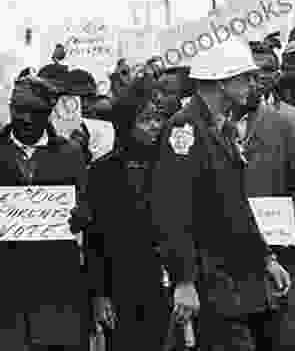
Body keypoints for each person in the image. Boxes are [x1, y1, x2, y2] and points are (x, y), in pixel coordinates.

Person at [149, 37, 292, 351]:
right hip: (207, 278)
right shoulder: (184, 129)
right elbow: (171, 210)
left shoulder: (222, 128)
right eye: (245, 77)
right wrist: (183, 280)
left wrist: (265, 257)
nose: (254, 83)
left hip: (234, 280)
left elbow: (235, 206)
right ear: (221, 81)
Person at [85, 86, 180, 351]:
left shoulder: (172, 165)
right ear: (126, 124)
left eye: (159, 118)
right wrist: (100, 294)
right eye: (145, 119)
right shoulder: (103, 171)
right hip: (122, 285)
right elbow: (95, 237)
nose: (155, 126)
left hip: (169, 283)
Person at [0, 76, 90, 351]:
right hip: (5, 289)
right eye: (18, 109)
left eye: (34, 111)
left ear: (48, 112)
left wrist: (82, 216)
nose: (25, 118)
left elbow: (87, 206)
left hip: (56, 288)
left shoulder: (70, 153)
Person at [246, 41, 295, 351]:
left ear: (277, 75)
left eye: (267, 70)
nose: (259, 77)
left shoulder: (292, 119)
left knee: (285, 328)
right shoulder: (215, 122)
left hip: (280, 237)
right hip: (233, 240)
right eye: (252, 71)